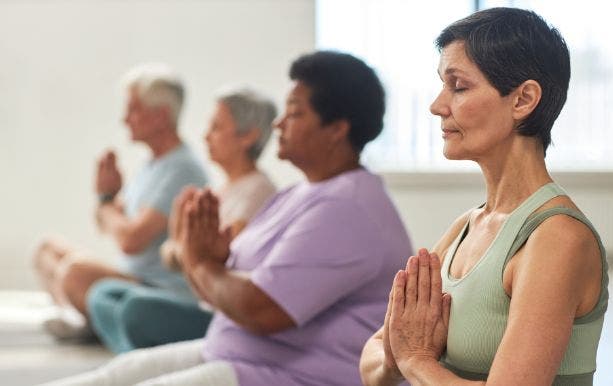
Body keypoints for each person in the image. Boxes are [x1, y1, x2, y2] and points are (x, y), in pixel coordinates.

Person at [43, 50, 412, 386]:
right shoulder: (298, 194)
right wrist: (206, 257)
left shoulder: (345, 208)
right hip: (233, 351)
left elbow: (259, 309)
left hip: (289, 375)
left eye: (295, 113)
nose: (279, 124)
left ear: (337, 129)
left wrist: (198, 259)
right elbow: (221, 285)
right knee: (111, 377)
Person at [360, 8, 608, 386]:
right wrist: (398, 357)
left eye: (458, 87)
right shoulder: (467, 226)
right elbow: (373, 358)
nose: (437, 105)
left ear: (523, 99)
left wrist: (415, 360)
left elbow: (405, 355)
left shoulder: (557, 239)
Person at [86, 87, 278, 353]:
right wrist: (180, 236)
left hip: (219, 312)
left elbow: (219, 260)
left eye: (216, 127)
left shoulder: (257, 193)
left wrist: (183, 244)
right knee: (102, 294)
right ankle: (137, 357)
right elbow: (177, 253)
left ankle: (138, 359)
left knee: (136, 309)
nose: (205, 136)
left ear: (248, 136)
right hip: (196, 300)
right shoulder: (220, 191)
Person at [32, 63, 208, 339]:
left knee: (76, 271)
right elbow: (108, 224)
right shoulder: (151, 165)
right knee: (47, 249)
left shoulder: (183, 169)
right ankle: (83, 319)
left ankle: (86, 322)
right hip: (130, 276)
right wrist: (107, 196)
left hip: (157, 291)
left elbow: (130, 241)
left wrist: (106, 205)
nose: (125, 119)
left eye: (133, 109)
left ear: (161, 116)